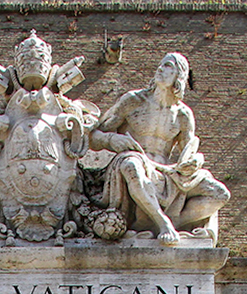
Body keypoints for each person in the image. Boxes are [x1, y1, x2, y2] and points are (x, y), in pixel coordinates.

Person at [93, 51, 231, 246]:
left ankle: (166, 224)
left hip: (167, 172)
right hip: (134, 159)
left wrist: (196, 160)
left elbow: (189, 149)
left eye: (168, 66)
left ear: (179, 77)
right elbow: (93, 136)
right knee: (131, 165)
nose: (160, 68)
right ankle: (163, 223)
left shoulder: (183, 115)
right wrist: (111, 139)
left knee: (220, 194)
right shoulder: (133, 101)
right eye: (161, 64)